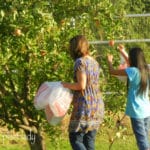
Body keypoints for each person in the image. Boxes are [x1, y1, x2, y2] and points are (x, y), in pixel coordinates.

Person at [62, 35, 104, 150]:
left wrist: (65, 84)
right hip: (97, 104)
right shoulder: (94, 61)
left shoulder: (80, 62)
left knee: (75, 138)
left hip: (85, 105)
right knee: (89, 139)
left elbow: (81, 85)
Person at [107, 47, 150, 150]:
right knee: (145, 138)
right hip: (147, 110)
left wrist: (109, 61)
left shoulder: (132, 71)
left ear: (132, 59)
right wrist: (122, 52)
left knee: (142, 141)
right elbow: (133, 64)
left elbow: (112, 72)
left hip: (136, 111)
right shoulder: (147, 69)